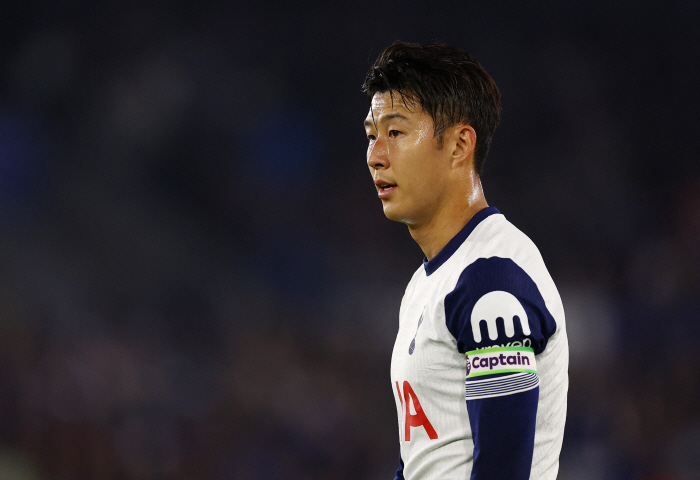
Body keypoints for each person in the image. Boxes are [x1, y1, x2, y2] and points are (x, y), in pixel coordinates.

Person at [362, 42, 568, 480]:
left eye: (395, 133)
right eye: (370, 136)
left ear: (458, 145)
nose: (376, 156)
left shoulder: (491, 281)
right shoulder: (427, 282)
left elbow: (502, 471)